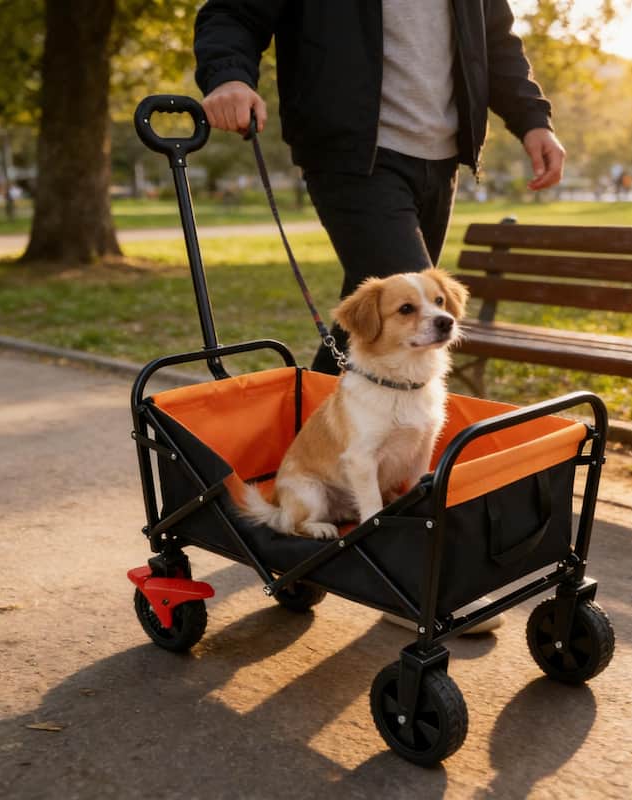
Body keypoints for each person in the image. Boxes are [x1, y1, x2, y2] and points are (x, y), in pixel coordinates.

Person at [194, 0, 566, 634]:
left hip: (440, 157)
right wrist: (229, 74)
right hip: (353, 150)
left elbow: (494, 37)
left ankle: (302, 491)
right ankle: (402, 581)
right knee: (412, 325)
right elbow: (236, 8)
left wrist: (532, 118)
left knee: (375, 331)